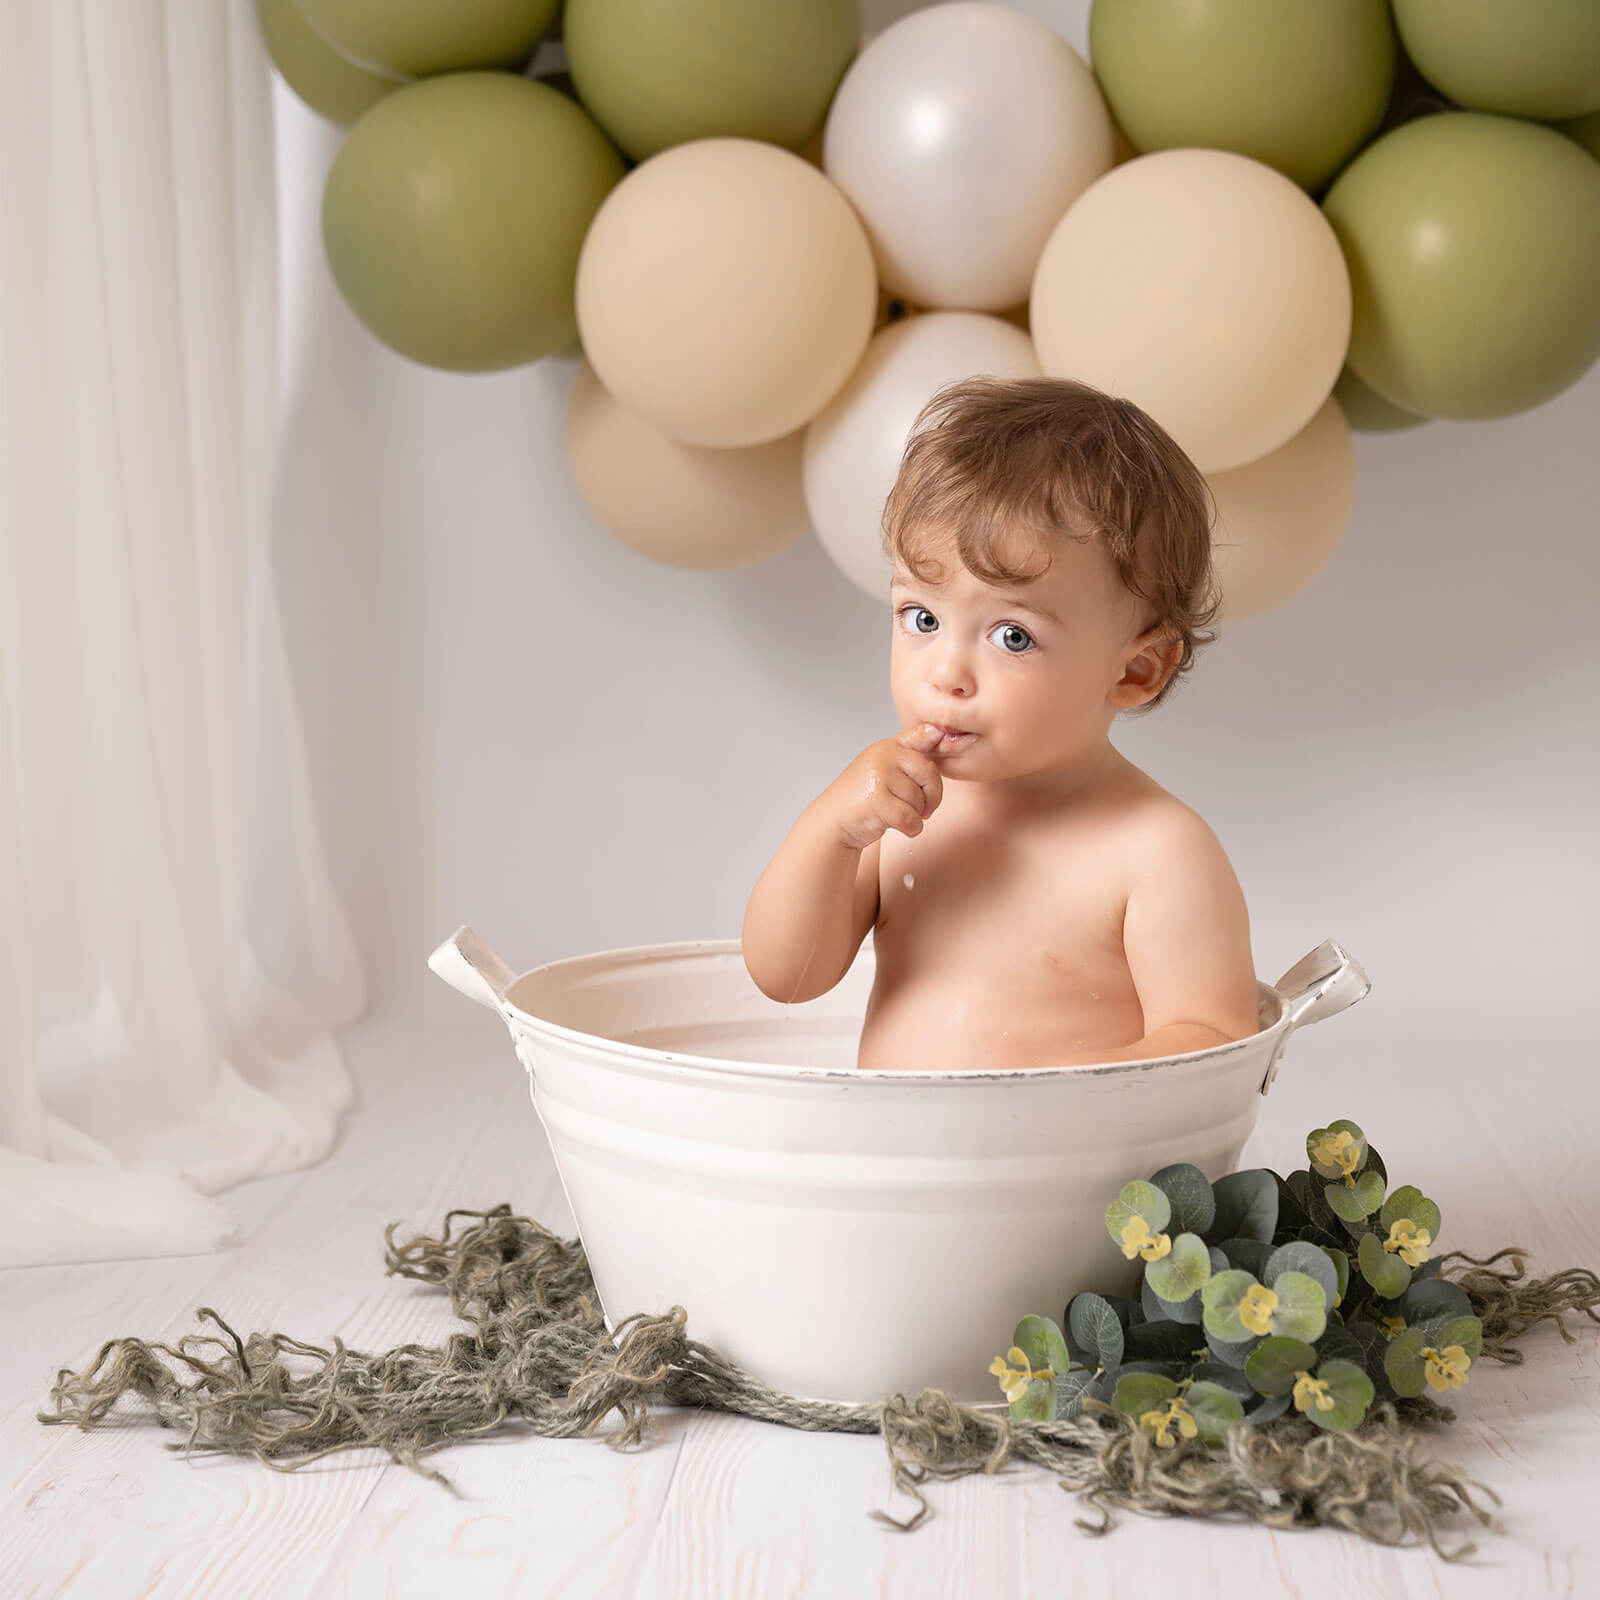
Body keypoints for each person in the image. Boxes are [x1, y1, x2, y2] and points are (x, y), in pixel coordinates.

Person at [742, 374, 1260, 1071]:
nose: (945, 672)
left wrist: (1038, 1094)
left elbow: (1213, 1040)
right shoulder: (896, 819)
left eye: (1013, 636)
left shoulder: (1157, 851)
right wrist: (830, 832)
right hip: (884, 1142)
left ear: (1136, 670)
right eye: (922, 618)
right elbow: (786, 977)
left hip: (1072, 1146)